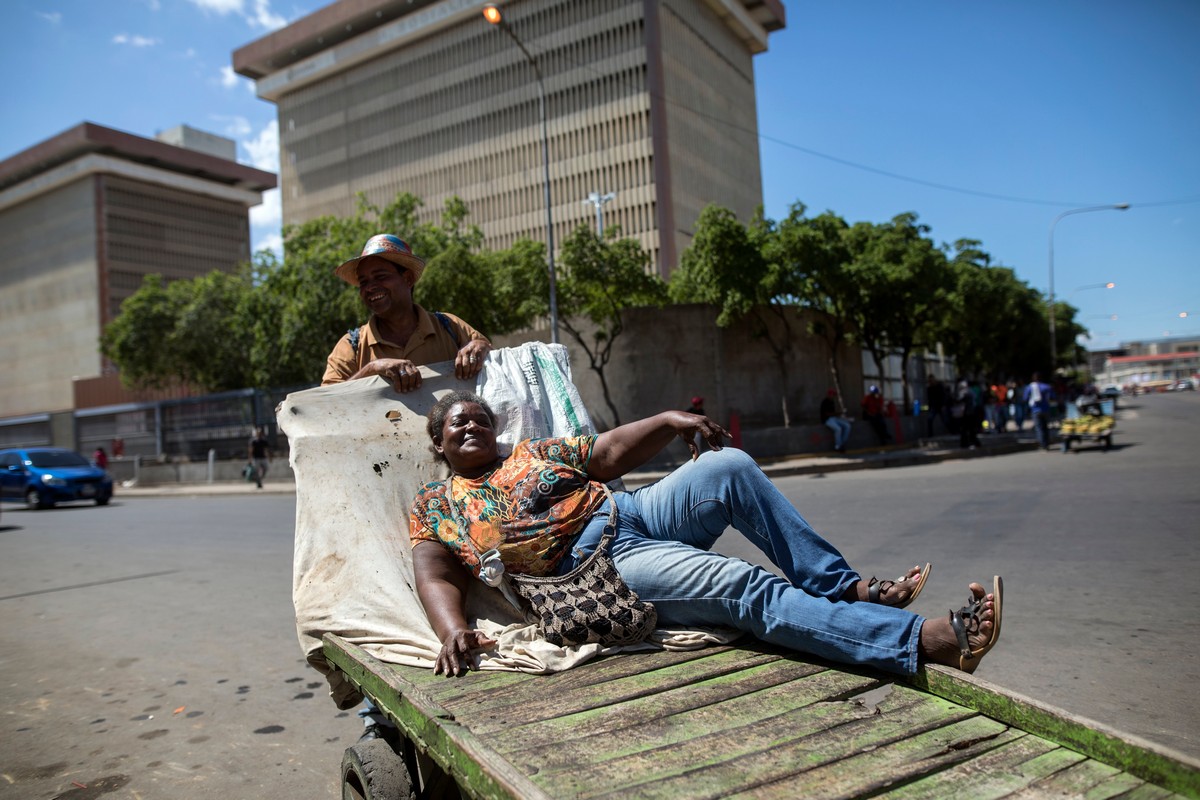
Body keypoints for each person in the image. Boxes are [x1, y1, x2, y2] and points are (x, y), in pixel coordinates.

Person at [409, 390, 1003, 680]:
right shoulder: (436, 504)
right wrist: (453, 629)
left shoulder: (534, 453)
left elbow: (609, 451)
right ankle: (923, 641)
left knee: (728, 468)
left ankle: (839, 588)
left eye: (482, 418)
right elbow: (434, 573)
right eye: (459, 421)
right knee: (742, 587)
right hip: (594, 572)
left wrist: (669, 420)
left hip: (633, 510)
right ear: (438, 442)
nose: (473, 425)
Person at [322, 234, 492, 392]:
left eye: (381, 276)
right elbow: (324, 402)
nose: (370, 287)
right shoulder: (352, 346)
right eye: (364, 282)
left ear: (408, 279)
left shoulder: (449, 326)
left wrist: (481, 347)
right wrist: (372, 369)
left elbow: (495, 362)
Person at [1024, 372, 1055, 451]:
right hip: (1046, 409)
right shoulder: (1046, 387)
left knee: (1039, 428)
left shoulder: (1030, 387)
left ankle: (1043, 444)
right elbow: (1053, 396)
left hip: (1035, 410)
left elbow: (1025, 398)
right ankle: (1047, 443)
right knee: (1045, 427)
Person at [820, 389, 851, 453]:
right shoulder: (825, 402)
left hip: (833, 418)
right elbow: (827, 413)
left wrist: (841, 416)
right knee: (838, 429)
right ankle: (838, 446)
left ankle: (842, 443)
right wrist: (838, 413)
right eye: (832, 395)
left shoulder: (832, 402)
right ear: (829, 395)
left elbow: (833, 413)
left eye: (834, 395)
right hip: (827, 419)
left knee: (847, 426)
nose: (833, 396)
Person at [954, 380, 981, 449]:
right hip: (968, 414)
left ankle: (969, 442)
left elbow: (958, 401)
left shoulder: (964, 393)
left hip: (967, 414)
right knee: (969, 429)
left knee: (967, 429)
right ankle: (971, 442)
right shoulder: (968, 392)